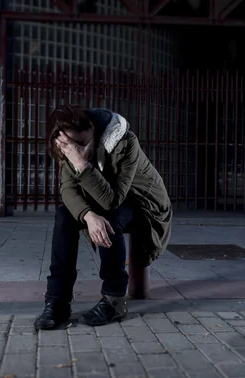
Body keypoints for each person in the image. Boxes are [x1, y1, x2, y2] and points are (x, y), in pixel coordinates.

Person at [34, 105, 172, 330]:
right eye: (72, 146)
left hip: (143, 204)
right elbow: (68, 190)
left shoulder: (126, 142)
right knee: (63, 215)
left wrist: (80, 164)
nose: (79, 150)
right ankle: (58, 300)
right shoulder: (67, 147)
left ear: (92, 128)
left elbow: (112, 200)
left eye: (83, 143)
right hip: (104, 200)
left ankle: (114, 299)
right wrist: (88, 215)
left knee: (108, 216)